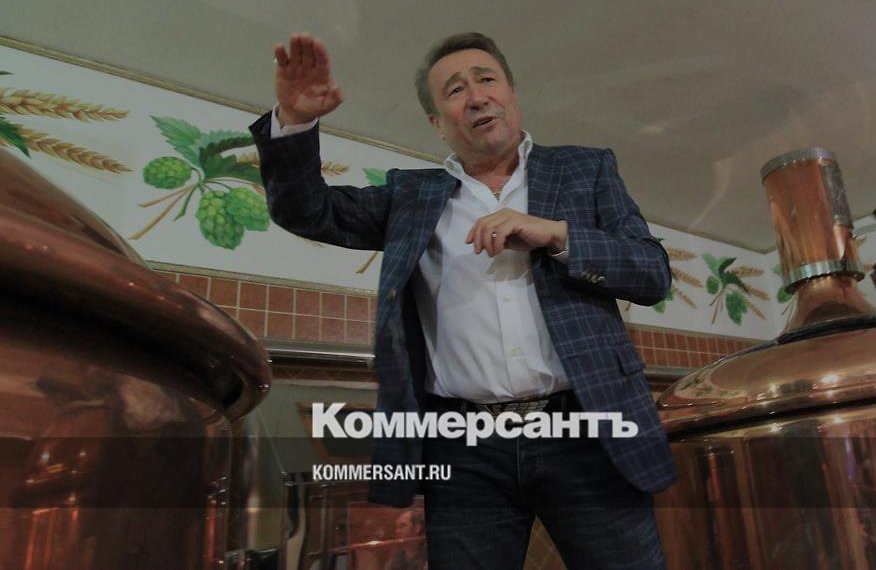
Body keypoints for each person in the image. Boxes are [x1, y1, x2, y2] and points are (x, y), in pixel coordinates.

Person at [250, 32, 678, 569]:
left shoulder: (584, 170)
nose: (475, 96)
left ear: (512, 95)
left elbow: (652, 272)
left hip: (586, 431)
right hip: (463, 448)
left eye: (486, 79)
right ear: (437, 123)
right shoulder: (411, 196)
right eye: (455, 90)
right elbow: (307, 212)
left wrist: (556, 235)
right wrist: (294, 122)